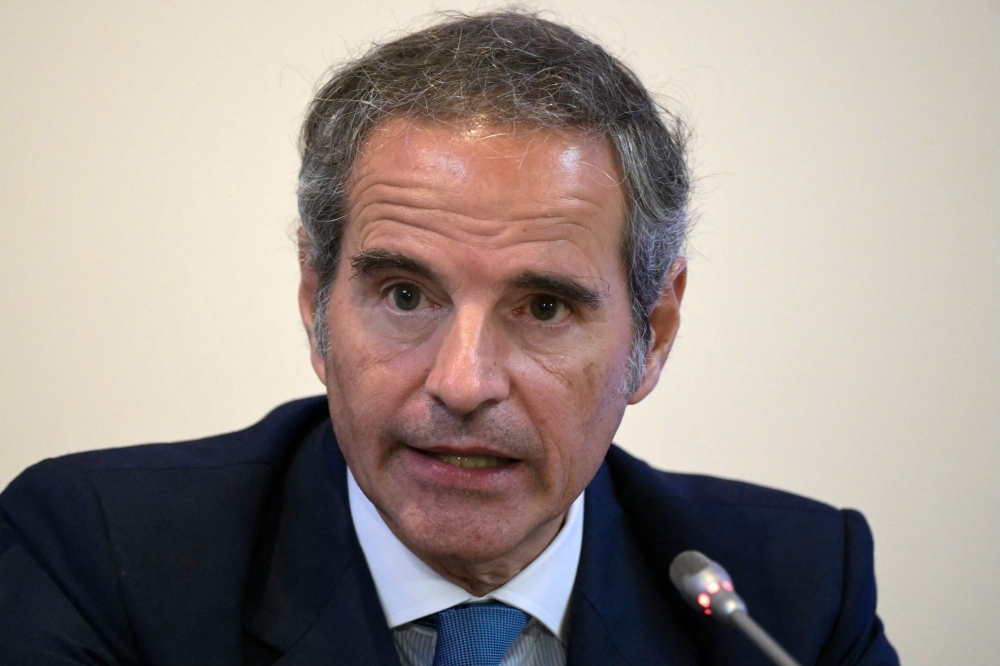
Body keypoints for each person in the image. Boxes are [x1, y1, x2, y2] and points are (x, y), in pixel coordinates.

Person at [0, 10, 898, 666]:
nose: (463, 383)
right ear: (317, 303)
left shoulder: (791, 598)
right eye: (404, 293)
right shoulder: (103, 557)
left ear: (652, 334)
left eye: (543, 308)